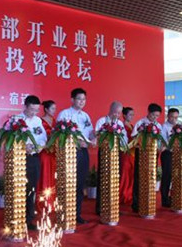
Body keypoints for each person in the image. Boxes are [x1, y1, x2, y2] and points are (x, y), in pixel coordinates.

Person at [56, 88, 95, 224]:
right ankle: (64, 214)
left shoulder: (85, 116)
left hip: (83, 152)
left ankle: (76, 214)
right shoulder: (64, 114)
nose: (82, 102)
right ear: (72, 99)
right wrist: (76, 141)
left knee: (80, 183)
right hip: (70, 153)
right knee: (68, 183)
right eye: (79, 99)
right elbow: (59, 134)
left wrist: (94, 137)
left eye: (84, 99)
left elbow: (90, 132)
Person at [14, 95, 47, 231]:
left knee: (31, 189)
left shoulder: (38, 120)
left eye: (36, 110)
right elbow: (11, 139)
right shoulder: (16, 120)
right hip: (20, 159)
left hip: (34, 157)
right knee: (19, 189)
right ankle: (17, 219)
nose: (34, 113)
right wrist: (22, 146)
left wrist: (40, 146)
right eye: (31, 109)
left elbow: (43, 137)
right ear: (25, 106)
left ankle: (28, 220)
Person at [94, 101, 127, 215]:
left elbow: (124, 138)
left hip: (117, 153)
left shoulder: (120, 123)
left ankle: (113, 207)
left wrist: (123, 146)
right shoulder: (101, 121)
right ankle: (101, 207)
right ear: (110, 110)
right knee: (103, 179)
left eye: (119, 113)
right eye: (115, 112)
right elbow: (96, 135)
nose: (116, 115)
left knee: (115, 179)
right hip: (104, 153)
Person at [131, 103, 162, 213]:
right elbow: (133, 137)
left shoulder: (158, 126)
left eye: (157, 116)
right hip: (141, 153)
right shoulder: (140, 123)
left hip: (153, 154)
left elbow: (160, 140)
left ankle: (148, 201)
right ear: (148, 112)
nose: (155, 118)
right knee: (139, 176)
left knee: (151, 177)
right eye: (153, 115)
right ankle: (136, 203)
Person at [37, 100, 57, 214]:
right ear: (46, 109)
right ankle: (43, 202)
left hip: (53, 153)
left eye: (55, 109)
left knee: (53, 177)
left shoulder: (55, 121)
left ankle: (52, 202)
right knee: (44, 176)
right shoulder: (39, 121)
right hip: (44, 152)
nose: (54, 111)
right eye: (52, 108)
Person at [160, 108, 179, 208]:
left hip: (177, 154)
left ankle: (174, 197)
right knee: (167, 176)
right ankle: (164, 199)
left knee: (175, 175)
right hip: (167, 153)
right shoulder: (164, 126)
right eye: (172, 117)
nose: (174, 119)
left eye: (176, 117)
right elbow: (163, 141)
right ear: (168, 116)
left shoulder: (178, 127)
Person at [119, 107, 135, 205]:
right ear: (124, 116)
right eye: (130, 115)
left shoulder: (132, 126)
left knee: (131, 174)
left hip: (132, 153)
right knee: (125, 175)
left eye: (133, 115)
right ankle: (123, 195)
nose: (132, 116)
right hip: (125, 153)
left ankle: (129, 195)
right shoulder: (122, 126)